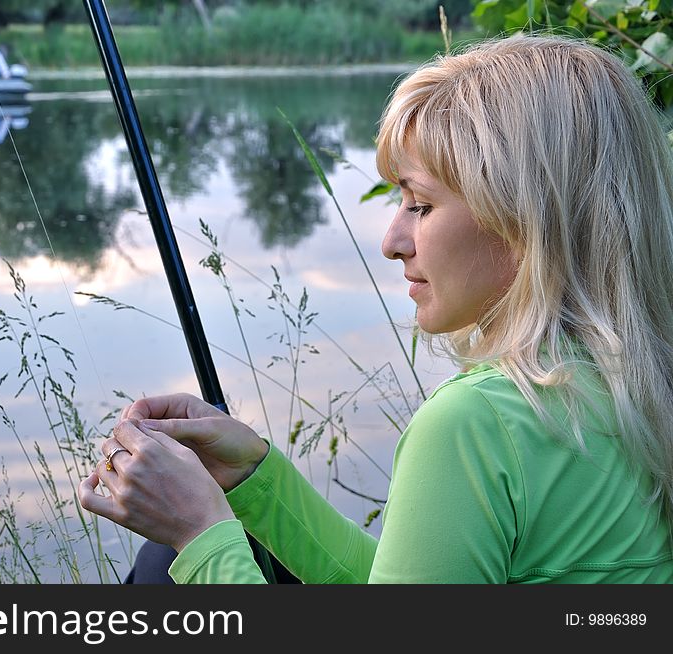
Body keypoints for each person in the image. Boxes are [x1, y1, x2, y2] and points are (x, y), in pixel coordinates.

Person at [79, 34, 673, 583]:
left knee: (164, 566)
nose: (392, 240)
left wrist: (200, 533)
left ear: (524, 222)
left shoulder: (476, 425)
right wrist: (256, 482)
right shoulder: (634, 391)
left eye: (421, 205)